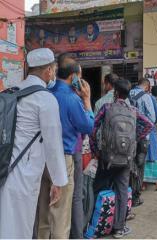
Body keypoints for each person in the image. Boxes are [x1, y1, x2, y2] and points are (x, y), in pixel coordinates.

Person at [0, 48, 68, 238]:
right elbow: (53, 146)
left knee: (5, 222)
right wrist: (58, 181)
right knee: (20, 225)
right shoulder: (45, 99)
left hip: (5, 167)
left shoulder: (13, 92)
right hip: (24, 173)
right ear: (48, 70)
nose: (53, 73)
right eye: (53, 69)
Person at [37, 54, 94, 239]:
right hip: (64, 158)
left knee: (43, 212)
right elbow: (88, 126)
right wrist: (87, 100)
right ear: (74, 76)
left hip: (43, 157)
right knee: (60, 215)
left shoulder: (47, 93)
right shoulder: (72, 99)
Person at [91, 79, 153, 238]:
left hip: (107, 158)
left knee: (98, 188)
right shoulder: (133, 110)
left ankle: (95, 223)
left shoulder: (106, 108)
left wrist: (95, 150)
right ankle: (118, 228)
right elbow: (149, 125)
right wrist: (135, 138)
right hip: (126, 158)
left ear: (116, 93)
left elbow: (93, 127)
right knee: (122, 190)